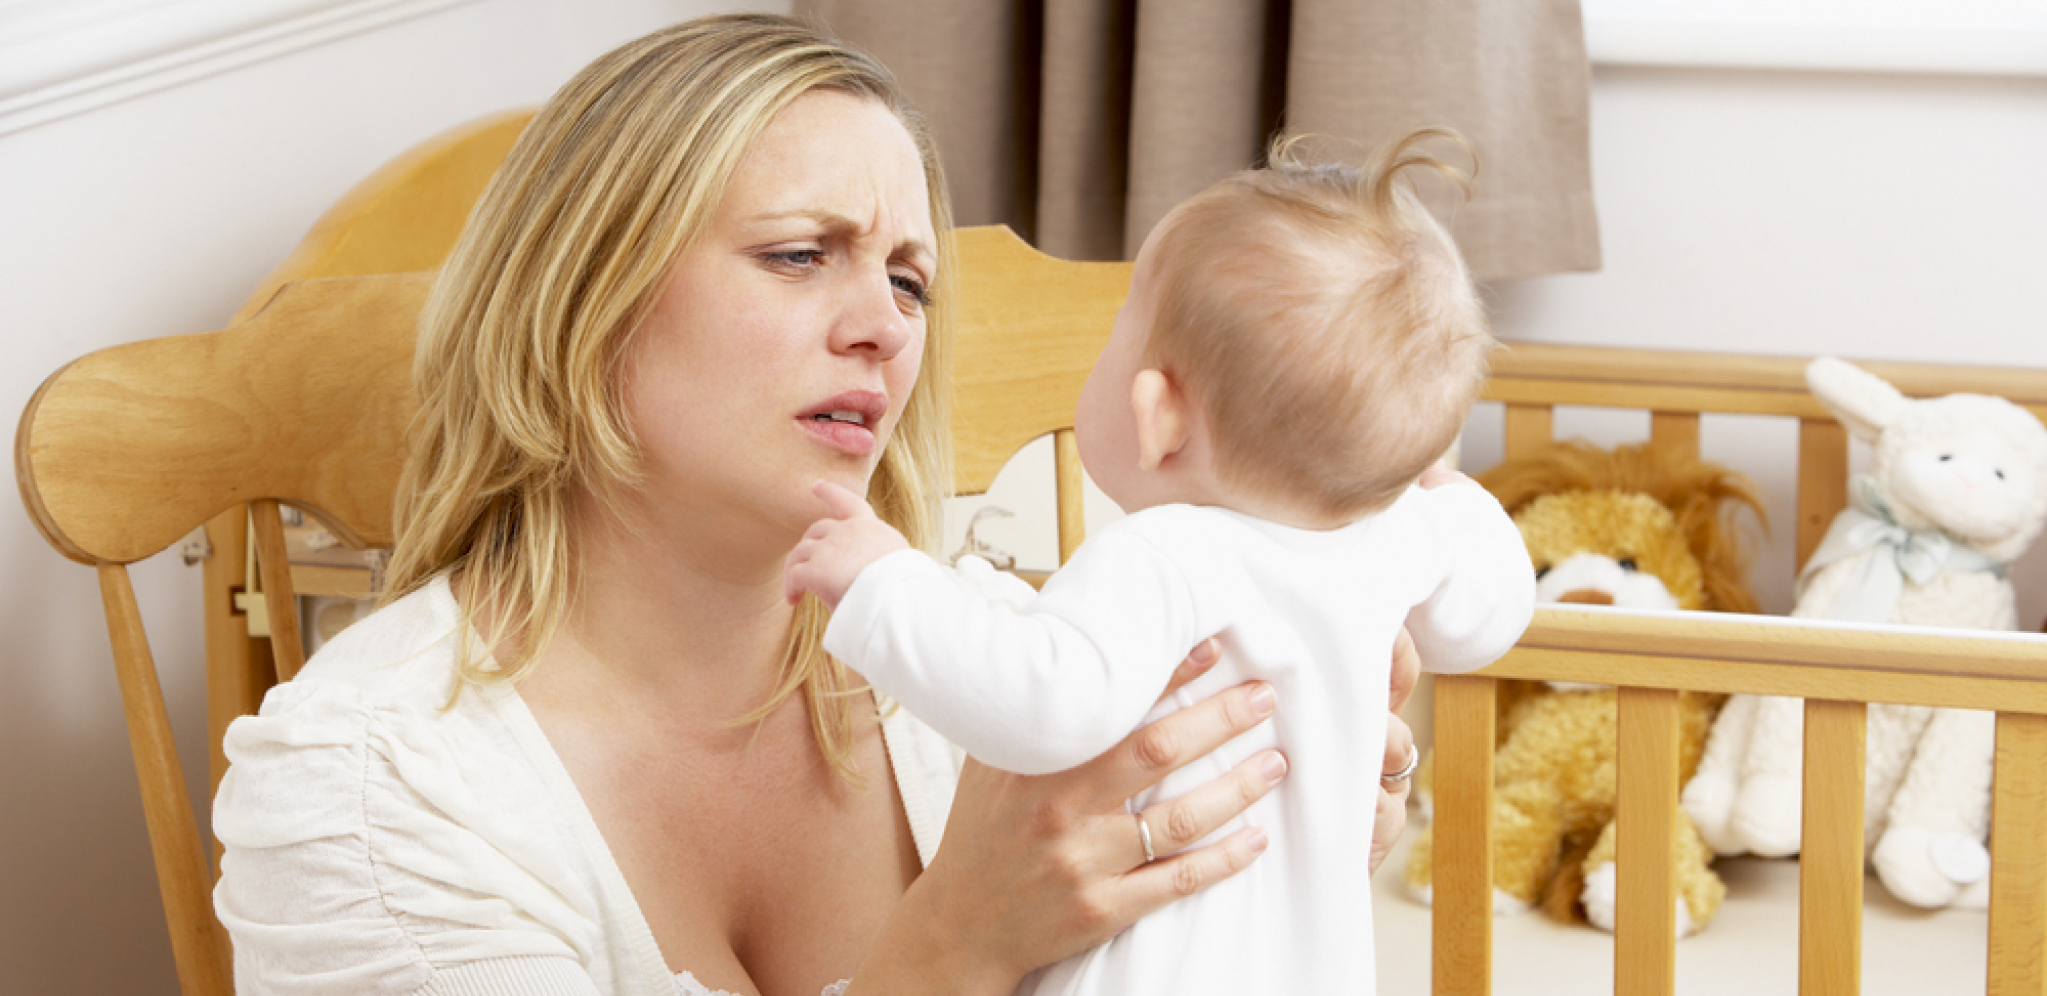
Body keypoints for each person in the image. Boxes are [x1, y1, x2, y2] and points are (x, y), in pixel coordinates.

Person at [209, 15, 1427, 996]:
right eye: (801, 254)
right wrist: (950, 949)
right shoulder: (367, 794)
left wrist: (1265, 838)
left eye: (909, 282)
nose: (884, 326)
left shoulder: (981, 670)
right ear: (586, 297)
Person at [784, 130, 1535, 994]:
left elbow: (1043, 700)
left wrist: (881, 582)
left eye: (1117, 334)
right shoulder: (1397, 535)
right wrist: (1444, 494)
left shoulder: (1164, 552)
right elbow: (1491, 613)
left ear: (1158, 414)